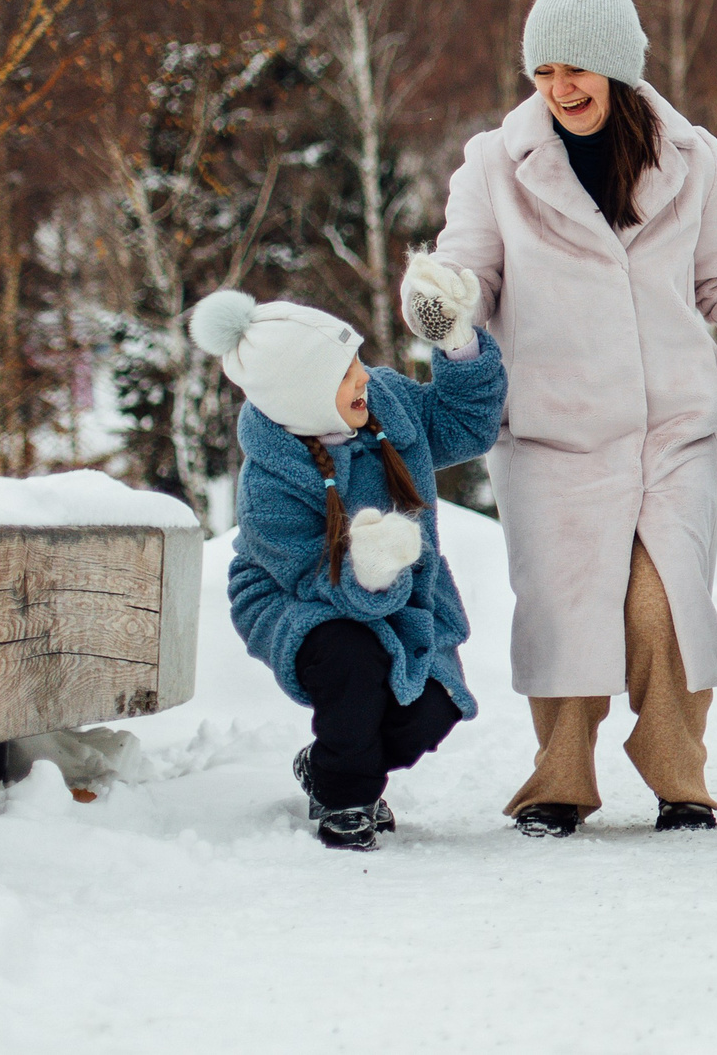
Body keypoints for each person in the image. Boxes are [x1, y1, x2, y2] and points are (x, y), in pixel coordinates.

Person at [431, 0, 717, 838]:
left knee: (663, 604)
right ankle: (560, 777)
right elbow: (467, 266)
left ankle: (678, 774)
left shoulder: (691, 159)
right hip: (554, 433)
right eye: (543, 72)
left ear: (618, 66)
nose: (560, 88)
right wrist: (443, 299)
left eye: (576, 68)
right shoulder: (494, 166)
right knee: (567, 601)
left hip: (669, 430)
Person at [200, 281, 506, 851]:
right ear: (302, 395)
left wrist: (459, 345)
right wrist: (367, 572)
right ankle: (345, 798)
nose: (363, 376)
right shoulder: (269, 479)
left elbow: (464, 425)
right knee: (354, 662)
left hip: (404, 587)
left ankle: (327, 764)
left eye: (357, 362)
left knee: (430, 709)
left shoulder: (385, 403)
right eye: (344, 374)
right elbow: (305, 577)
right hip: (295, 600)